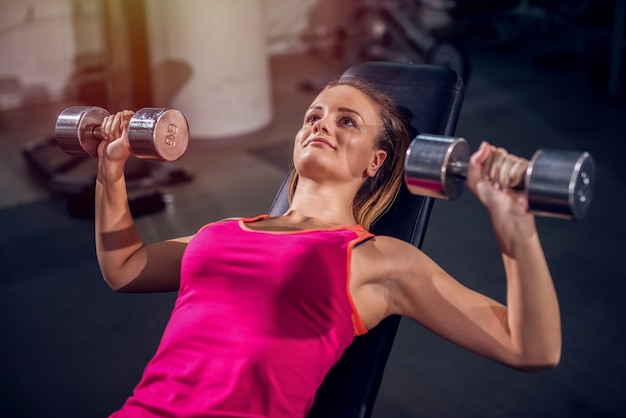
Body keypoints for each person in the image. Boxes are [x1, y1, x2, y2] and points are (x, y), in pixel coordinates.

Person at [95, 77, 561, 418]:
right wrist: (109, 173)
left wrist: (514, 223)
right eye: (313, 116)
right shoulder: (222, 232)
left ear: (375, 161)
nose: (322, 125)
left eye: (347, 122)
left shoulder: (376, 259)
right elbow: (125, 267)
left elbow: (530, 348)